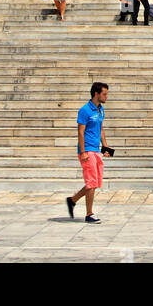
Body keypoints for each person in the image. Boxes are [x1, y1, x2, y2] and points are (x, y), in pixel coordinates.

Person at [68, 81, 110, 223]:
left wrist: (105, 147)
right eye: (104, 94)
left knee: (95, 182)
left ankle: (72, 200)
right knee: (92, 182)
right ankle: (89, 214)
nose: (106, 96)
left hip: (96, 149)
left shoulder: (100, 110)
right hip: (87, 150)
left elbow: (101, 128)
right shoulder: (85, 110)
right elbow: (80, 132)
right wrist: (84, 152)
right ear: (96, 94)